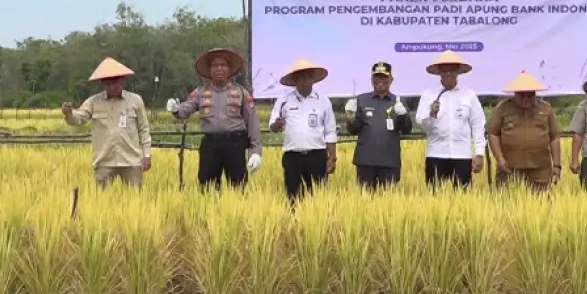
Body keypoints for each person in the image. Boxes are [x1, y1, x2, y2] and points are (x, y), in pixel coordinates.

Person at [167, 48, 264, 191]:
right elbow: (184, 111)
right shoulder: (200, 92)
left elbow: (253, 123)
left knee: (238, 186)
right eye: (215, 65)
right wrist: (175, 109)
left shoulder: (240, 92)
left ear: (229, 69)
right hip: (210, 145)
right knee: (207, 187)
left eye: (223, 65)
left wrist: (256, 151)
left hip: (235, 144)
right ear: (209, 70)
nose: (219, 68)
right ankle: (209, 213)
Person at [62, 57, 153, 189]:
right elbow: (78, 118)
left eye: (115, 82)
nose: (112, 86)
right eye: (108, 83)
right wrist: (68, 113)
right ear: (103, 83)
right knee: (101, 201)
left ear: (122, 80)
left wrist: (147, 155)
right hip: (104, 161)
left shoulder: (135, 100)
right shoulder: (93, 102)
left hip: (131, 161)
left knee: (135, 200)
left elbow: (144, 129)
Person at [268, 59, 337, 203]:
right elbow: (272, 127)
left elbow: (330, 131)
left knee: (318, 197)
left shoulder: (323, 101)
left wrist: (332, 157)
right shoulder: (283, 101)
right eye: (302, 77)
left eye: (309, 76)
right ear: (295, 80)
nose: (306, 80)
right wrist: (277, 124)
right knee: (293, 196)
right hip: (292, 156)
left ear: (313, 79)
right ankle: (295, 224)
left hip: (317, 156)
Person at [415, 50, 486, 189]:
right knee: (434, 198)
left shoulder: (469, 95)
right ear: (439, 72)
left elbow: (478, 124)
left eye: (452, 70)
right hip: (436, 154)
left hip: (462, 155)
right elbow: (423, 126)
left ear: (458, 72)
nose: (448, 73)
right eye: (444, 70)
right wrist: (432, 114)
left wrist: (479, 153)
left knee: (463, 199)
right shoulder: (428, 94)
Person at [344, 61, 413, 190]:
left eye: (384, 77)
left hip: (389, 160)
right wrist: (350, 119)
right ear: (371, 79)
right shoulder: (361, 100)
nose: (380, 80)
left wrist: (403, 115)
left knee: (388, 204)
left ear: (391, 80)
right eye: (377, 77)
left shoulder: (398, 101)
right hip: (365, 160)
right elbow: (353, 130)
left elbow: (406, 129)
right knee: (364, 200)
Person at [488, 70, 562, 191]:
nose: (526, 99)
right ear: (515, 94)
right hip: (509, 168)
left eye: (530, 95)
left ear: (535, 94)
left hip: (540, 169)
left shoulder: (546, 109)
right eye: (522, 95)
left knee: (541, 205)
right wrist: (500, 159)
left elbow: (554, 138)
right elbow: (493, 134)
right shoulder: (503, 109)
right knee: (507, 204)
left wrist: (557, 165)